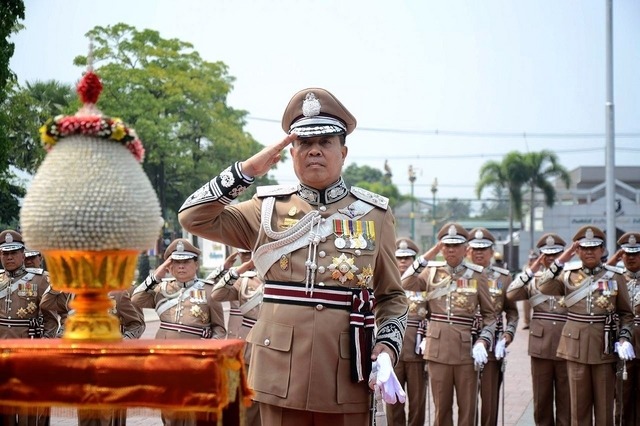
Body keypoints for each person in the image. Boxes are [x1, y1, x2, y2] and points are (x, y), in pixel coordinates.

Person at [178, 87, 408, 425]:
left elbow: (392, 296)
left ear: (343, 152)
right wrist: (246, 171)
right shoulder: (265, 209)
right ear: (291, 153)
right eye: (304, 143)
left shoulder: (374, 214)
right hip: (276, 369)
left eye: (325, 142)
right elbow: (192, 217)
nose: (314, 151)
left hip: (345, 370)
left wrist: (387, 346)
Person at [401, 222, 496, 426]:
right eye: (446, 245)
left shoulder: (478, 275)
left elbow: (490, 315)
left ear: (465, 249)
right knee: (441, 409)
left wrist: (484, 341)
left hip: (465, 351)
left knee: (467, 409)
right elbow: (405, 281)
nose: (451, 249)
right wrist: (430, 254)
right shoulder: (431, 272)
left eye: (456, 245)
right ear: (441, 248)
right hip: (437, 349)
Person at [131, 238, 226, 426]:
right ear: (169, 266)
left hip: (195, 358)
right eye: (176, 262)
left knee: (194, 405)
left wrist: (208, 352)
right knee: (169, 404)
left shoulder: (209, 290)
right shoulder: (161, 289)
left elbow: (219, 329)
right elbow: (136, 300)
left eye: (186, 262)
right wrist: (156, 275)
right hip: (166, 357)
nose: (181, 267)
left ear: (196, 264)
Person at [551, 225, 635, 426]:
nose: (589, 252)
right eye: (584, 248)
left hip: (603, 348)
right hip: (575, 347)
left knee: (605, 408)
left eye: (594, 248)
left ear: (602, 251)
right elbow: (545, 286)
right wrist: (563, 258)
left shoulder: (614, 276)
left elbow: (626, 314)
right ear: (577, 250)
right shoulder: (567, 274)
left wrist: (624, 338)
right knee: (578, 410)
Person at [40, 287, 146, 426]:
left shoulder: (118, 293)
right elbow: (46, 304)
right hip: (83, 359)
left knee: (109, 411)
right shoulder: (72, 293)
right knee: (85, 407)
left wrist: (121, 344)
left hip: (110, 361)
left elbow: (137, 324)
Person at [506, 233, 571, 426]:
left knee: (566, 398)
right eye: (547, 254)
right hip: (540, 346)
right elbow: (511, 294)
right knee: (541, 398)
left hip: (566, 344)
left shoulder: (572, 278)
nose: (551, 258)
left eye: (556, 254)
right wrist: (531, 269)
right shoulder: (532, 280)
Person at [0, 230, 58, 426]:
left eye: (13, 253)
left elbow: (52, 318)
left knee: (28, 410)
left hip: (29, 350)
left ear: (23, 255)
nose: (9, 257)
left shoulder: (39, 280)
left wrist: (47, 343)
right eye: (5, 253)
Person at [467, 227, 518, 426]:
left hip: (492, 345)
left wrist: (507, 337)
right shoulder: (457, 275)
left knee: (489, 399)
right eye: (475, 249)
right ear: (467, 251)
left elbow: (512, 313)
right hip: (464, 341)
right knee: (467, 400)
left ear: (491, 252)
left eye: (484, 249)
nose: (479, 253)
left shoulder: (503, 278)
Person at [211, 249, 264, 426]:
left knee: (261, 400)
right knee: (239, 398)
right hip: (241, 341)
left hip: (266, 344)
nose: (249, 257)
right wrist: (230, 268)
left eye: (251, 252)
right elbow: (211, 288)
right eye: (245, 254)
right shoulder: (241, 279)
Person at [386, 238, 427, 426]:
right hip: (392, 352)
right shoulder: (385, 283)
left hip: (416, 352)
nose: (403, 262)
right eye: (399, 258)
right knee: (392, 400)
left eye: (408, 258)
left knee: (418, 401)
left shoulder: (424, 284)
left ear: (414, 260)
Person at [609, 231, 640, 426]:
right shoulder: (614, 280)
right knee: (623, 396)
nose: (631, 258)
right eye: (626, 254)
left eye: (635, 253)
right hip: (624, 346)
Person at [520, 250, 538, 330]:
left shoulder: (539, 267)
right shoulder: (526, 267)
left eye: (533, 259)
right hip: (527, 290)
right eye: (530, 259)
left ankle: (537, 323)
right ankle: (527, 322)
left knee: (538, 308)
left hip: (537, 291)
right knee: (526, 308)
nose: (530, 260)